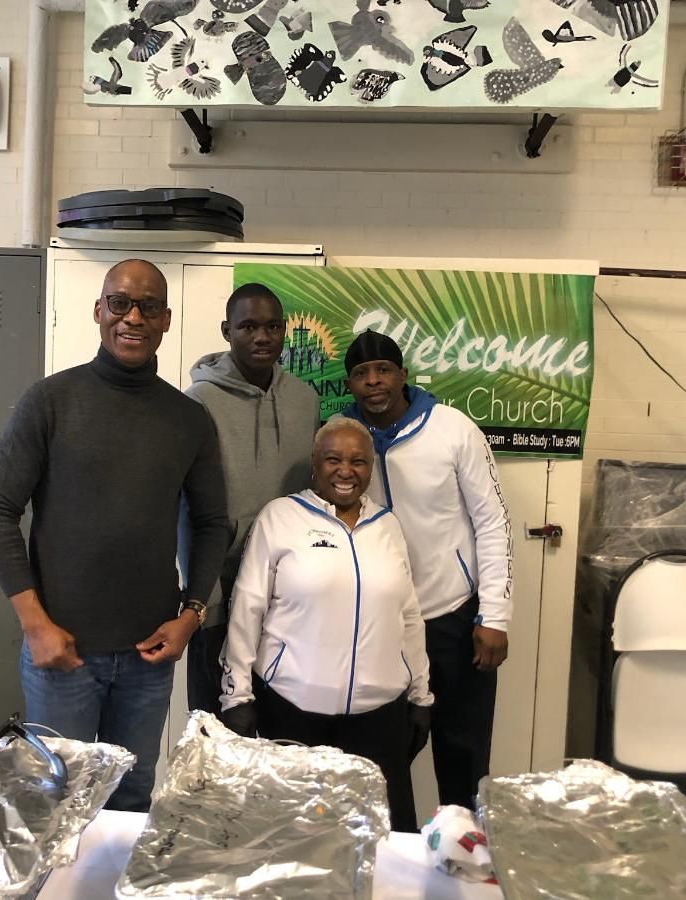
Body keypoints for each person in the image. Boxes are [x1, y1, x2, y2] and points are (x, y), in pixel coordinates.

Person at [0, 258, 229, 812]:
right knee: (52, 800)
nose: (132, 317)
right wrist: (34, 624)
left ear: (166, 319)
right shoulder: (49, 402)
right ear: (99, 311)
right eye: (120, 303)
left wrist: (190, 617)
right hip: (62, 655)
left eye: (148, 306)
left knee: (131, 795)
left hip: (148, 660)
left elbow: (214, 523)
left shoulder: (188, 419)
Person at [219, 417, 432, 832]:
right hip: (294, 713)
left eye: (358, 461)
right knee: (293, 839)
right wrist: (236, 695)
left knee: (381, 840)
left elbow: (408, 615)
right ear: (315, 465)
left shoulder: (387, 525)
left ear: (371, 469)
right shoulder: (280, 517)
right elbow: (247, 608)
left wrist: (421, 694)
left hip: (379, 719)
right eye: (333, 459)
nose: (346, 471)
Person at [341, 330, 512, 810]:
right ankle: (394, 860)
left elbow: (493, 523)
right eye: (360, 374)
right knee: (383, 759)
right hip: (382, 627)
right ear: (350, 384)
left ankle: (462, 859)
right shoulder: (345, 436)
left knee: (462, 755)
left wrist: (495, 615)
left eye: (383, 370)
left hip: (453, 619)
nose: (373, 382)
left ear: (402, 375)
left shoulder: (453, 429)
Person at [181, 282, 320, 715]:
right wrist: (203, 598)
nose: (262, 337)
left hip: (291, 596)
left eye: (273, 326)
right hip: (221, 593)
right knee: (216, 730)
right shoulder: (198, 402)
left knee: (281, 729)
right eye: (248, 327)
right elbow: (187, 507)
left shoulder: (305, 399)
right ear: (227, 331)